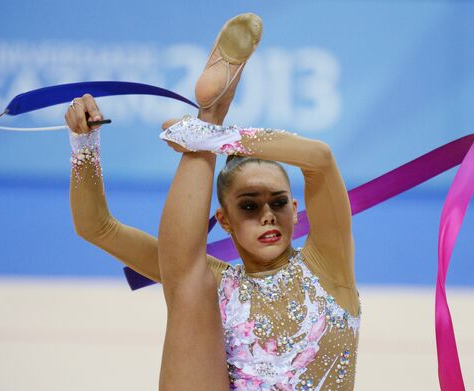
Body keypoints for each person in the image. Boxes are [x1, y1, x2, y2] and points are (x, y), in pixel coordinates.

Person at [66, 13, 360, 391]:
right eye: (250, 206)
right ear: (224, 220)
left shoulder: (327, 267)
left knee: (187, 277)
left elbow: (319, 158)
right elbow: (97, 226)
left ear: (295, 210)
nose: (268, 215)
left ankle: (210, 115)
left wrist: (210, 137)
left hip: (210, 140)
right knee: (189, 280)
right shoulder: (213, 282)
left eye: (279, 202)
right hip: (199, 303)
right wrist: (83, 144)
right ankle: (211, 110)